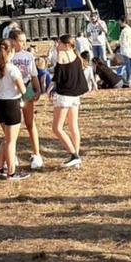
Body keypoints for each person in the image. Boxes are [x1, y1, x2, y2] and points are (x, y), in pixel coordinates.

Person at [0, 39, 29, 181]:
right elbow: (23, 89)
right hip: (11, 104)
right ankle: (11, 172)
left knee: (7, 138)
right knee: (11, 141)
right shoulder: (13, 69)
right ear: (11, 51)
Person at [8, 30, 44, 170]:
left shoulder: (28, 56)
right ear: (13, 41)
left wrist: (38, 89)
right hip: (12, 90)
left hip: (27, 88)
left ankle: (36, 154)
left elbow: (33, 74)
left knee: (30, 123)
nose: (24, 43)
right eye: (20, 40)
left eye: (24, 40)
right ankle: (12, 154)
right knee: (12, 125)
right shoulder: (7, 56)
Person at [51, 35, 86, 169]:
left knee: (57, 128)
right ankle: (76, 156)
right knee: (73, 126)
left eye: (59, 42)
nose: (57, 44)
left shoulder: (62, 55)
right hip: (75, 96)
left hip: (64, 95)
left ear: (66, 45)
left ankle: (73, 155)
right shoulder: (77, 57)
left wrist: (58, 53)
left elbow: (58, 75)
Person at [118, 18, 131, 87]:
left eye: (120, 22)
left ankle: (129, 79)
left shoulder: (124, 31)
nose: (119, 24)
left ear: (124, 22)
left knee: (128, 65)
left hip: (126, 49)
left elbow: (122, 41)